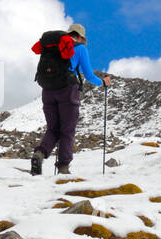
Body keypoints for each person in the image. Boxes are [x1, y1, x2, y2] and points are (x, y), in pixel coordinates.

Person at [30, 23, 108, 175]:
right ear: (80, 36)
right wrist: (103, 82)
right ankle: (63, 167)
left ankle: (39, 154)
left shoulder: (53, 45)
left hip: (48, 91)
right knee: (67, 130)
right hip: (67, 91)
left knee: (53, 129)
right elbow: (89, 75)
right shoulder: (80, 48)